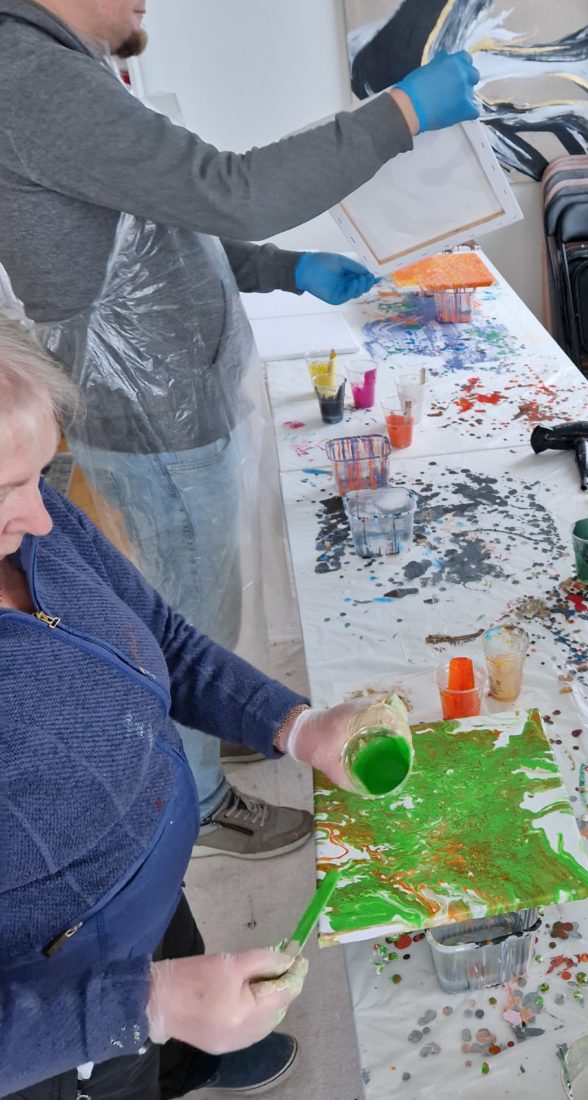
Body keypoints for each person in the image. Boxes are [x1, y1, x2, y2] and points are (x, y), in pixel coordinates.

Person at [0, 0, 480, 858]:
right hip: (155, 419)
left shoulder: (60, 64)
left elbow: (164, 226)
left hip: (176, 400)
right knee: (186, 613)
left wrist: (285, 268)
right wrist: (402, 113)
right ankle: (200, 801)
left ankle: (219, 727)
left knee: (205, 599)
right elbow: (234, 192)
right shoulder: (26, 71)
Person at [0, 320, 383, 1097]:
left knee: (170, 1019)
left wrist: (295, 727)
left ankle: (185, 1059)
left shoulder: (38, 525)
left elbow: (159, 636)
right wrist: (145, 1006)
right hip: (56, 1005)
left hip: (144, 891)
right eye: (5, 491)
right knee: (125, 1066)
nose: (42, 515)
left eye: (38, 474)